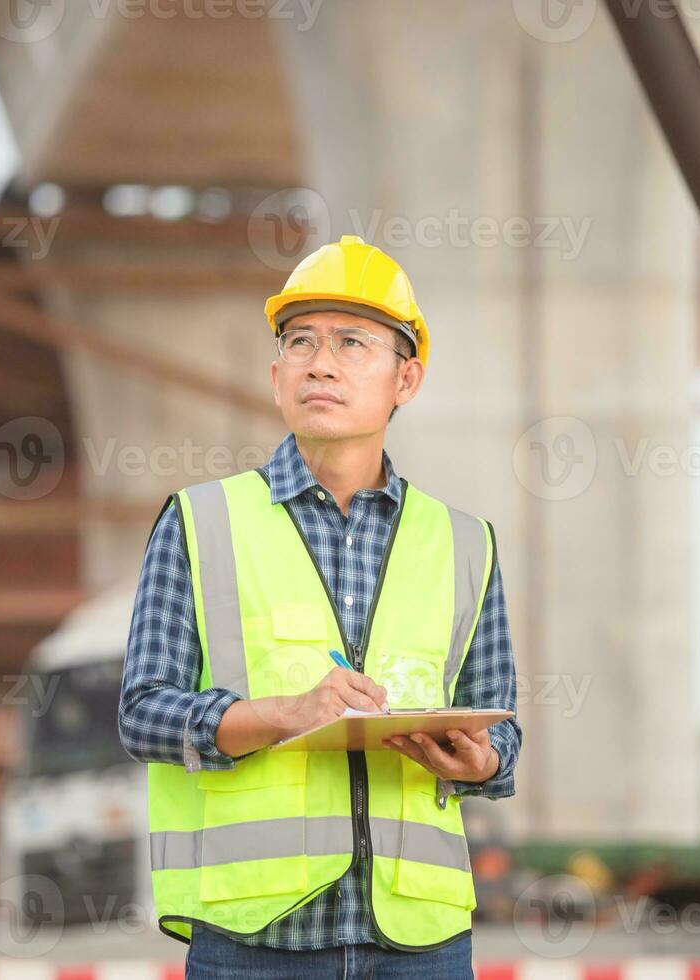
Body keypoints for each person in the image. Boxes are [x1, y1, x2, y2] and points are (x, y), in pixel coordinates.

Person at [118, 235, 522, 979]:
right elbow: (144, 714)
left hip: (421, 943)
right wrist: (287, 714)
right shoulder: (201, 523)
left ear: (408, 379)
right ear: (277, 378)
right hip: (254, 942)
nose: (321, 363)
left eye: (351, 342)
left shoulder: (465, 543)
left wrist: (480, 757)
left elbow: (501, 735)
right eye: (300, 342)